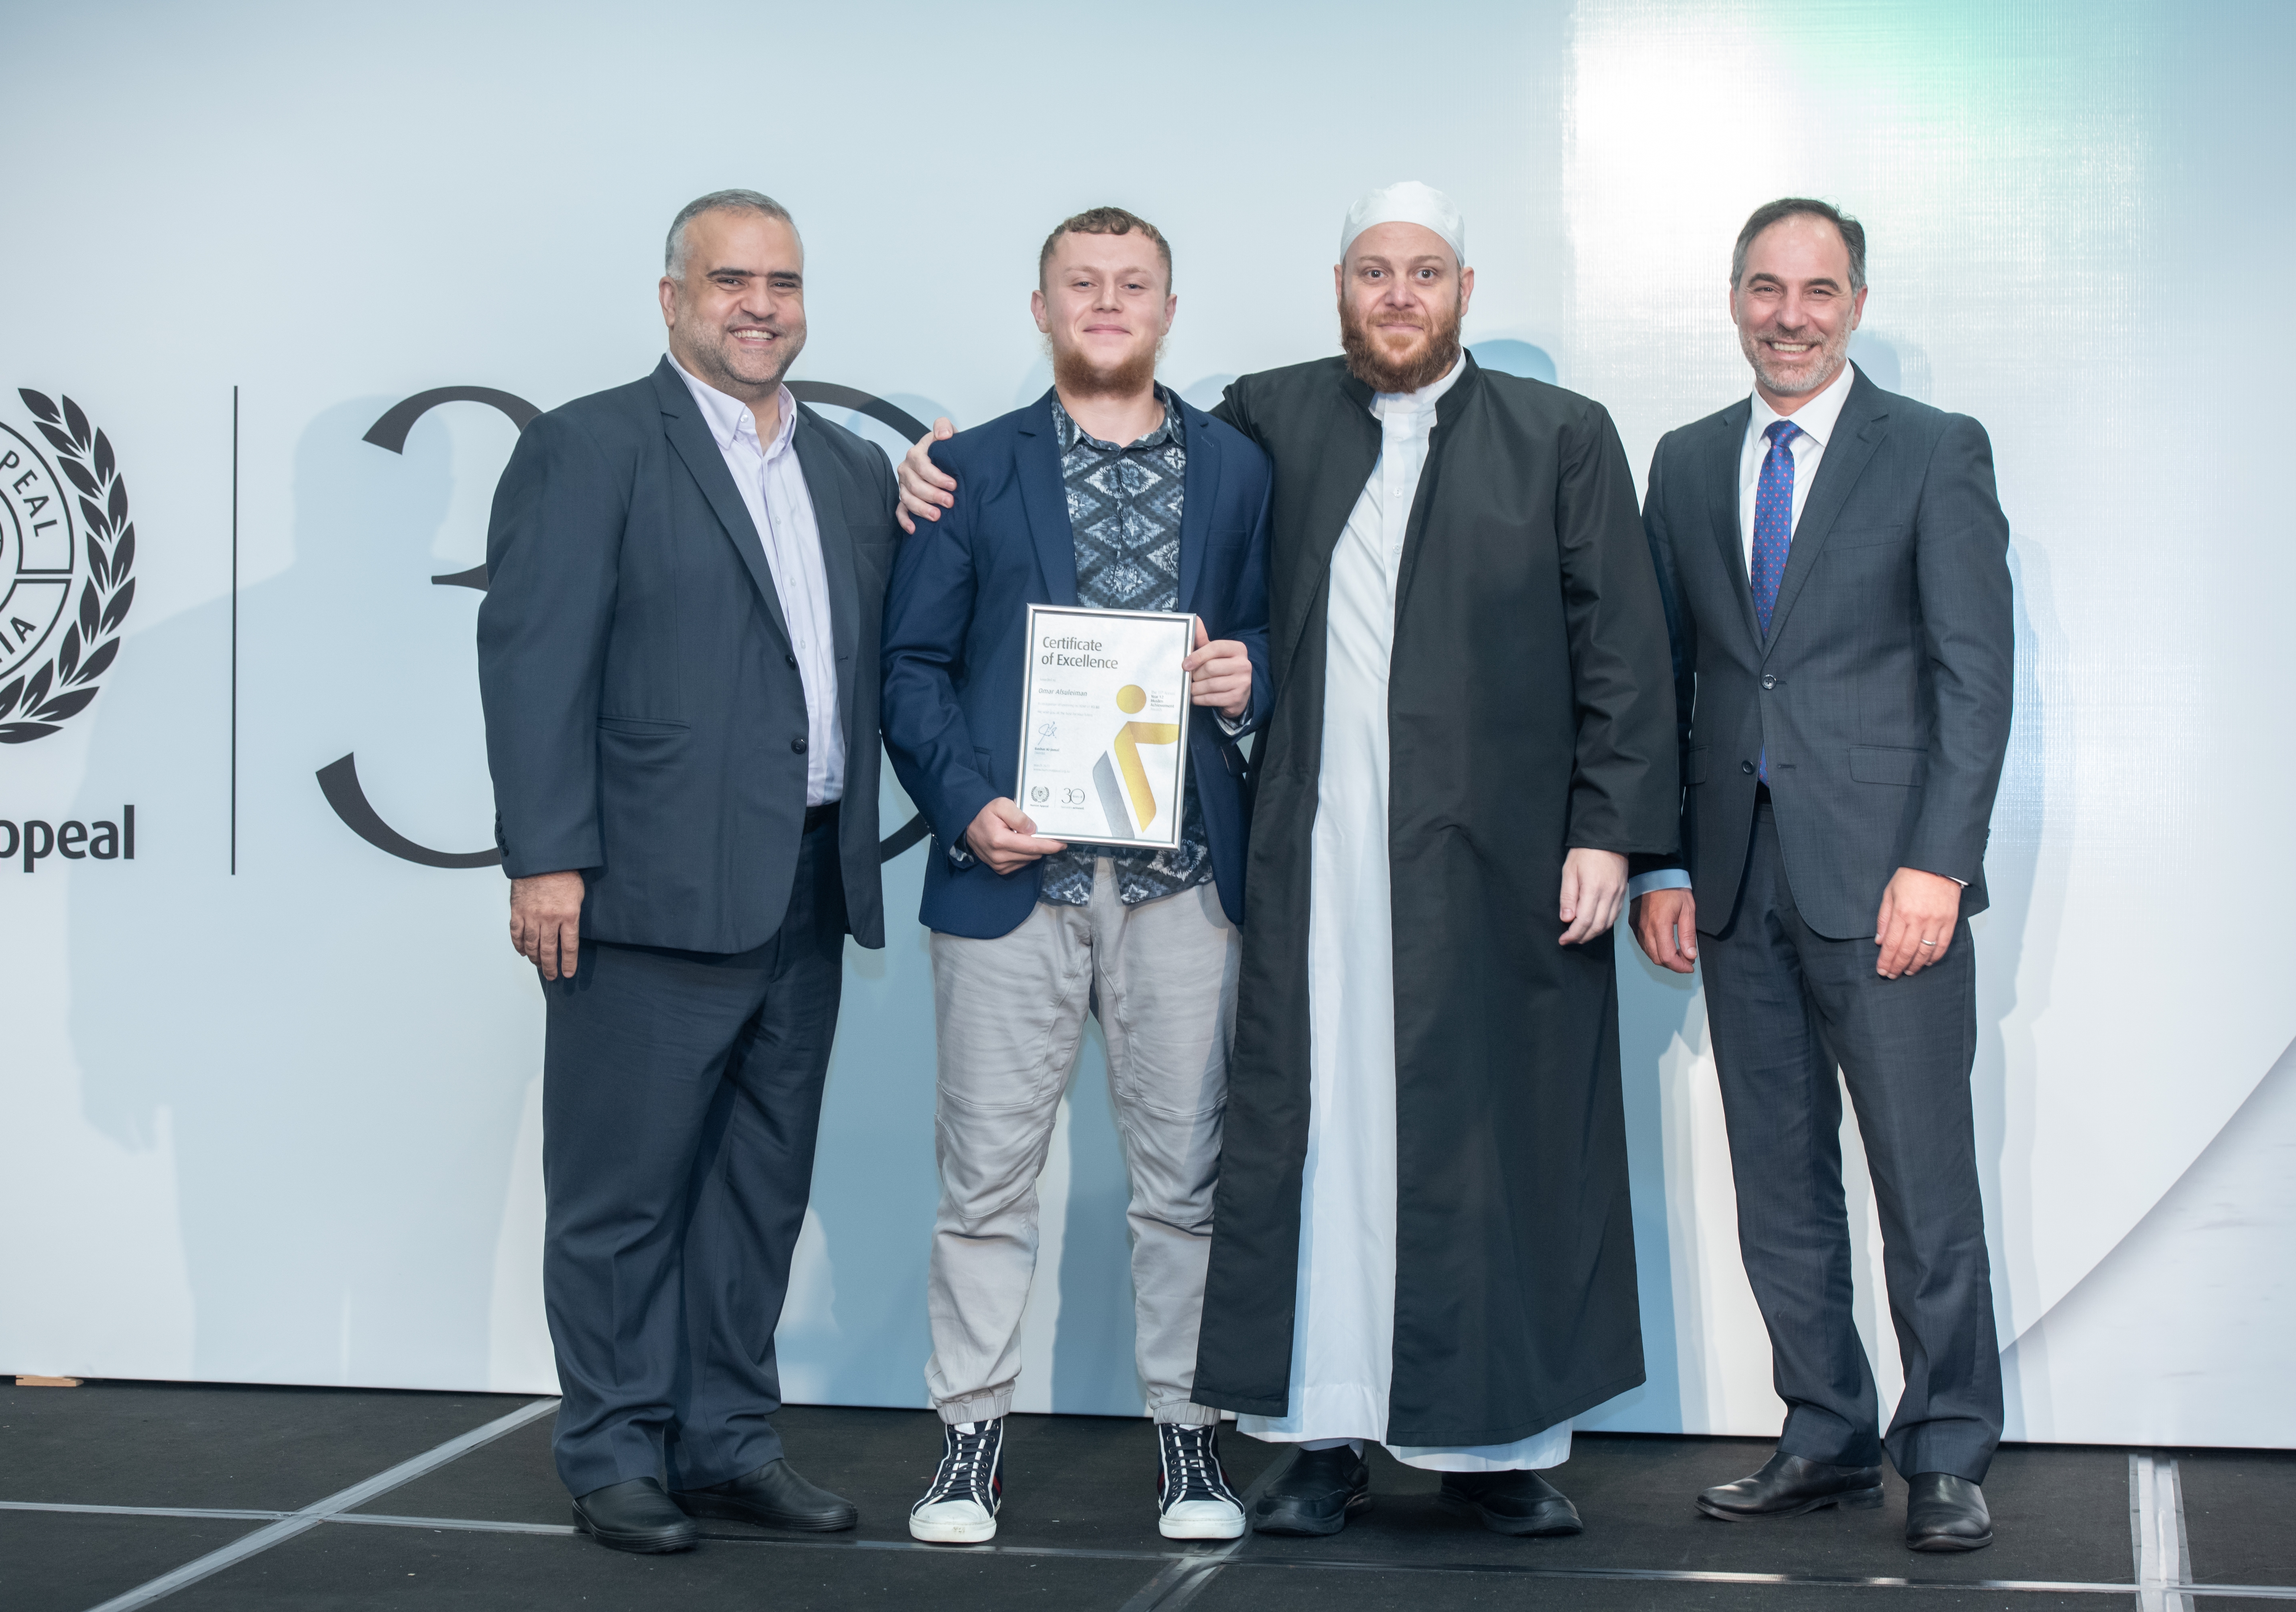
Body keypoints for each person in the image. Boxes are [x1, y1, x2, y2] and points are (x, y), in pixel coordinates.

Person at [896, 182, 1679, 1540]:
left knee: (1483, 1151)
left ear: (1463, 289)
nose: (1395, 295)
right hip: (1307, 863)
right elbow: (1113, 447)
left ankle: (1494, 1446)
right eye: (1372, 272)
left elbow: (1623, 646)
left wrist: (1610, 830)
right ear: (1338, 288)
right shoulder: (1275, 420)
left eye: (1422, 273)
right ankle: (1314, 1430)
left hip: (1488, 873)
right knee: (1304, 1149)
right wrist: (919, 460)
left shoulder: (1560, 436)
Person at [478, 189, 900, 1555]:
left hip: (804, 889)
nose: (759, 305)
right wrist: (547, 861)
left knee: (756, 1192)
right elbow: (534, 662)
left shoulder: (844, 469)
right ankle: (612, 1452)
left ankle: (725, 1442)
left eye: (781, 281)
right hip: (644, 894)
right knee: (619, 1197)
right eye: (730, 280)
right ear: (672, 299)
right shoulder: (591, 446)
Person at [879, 206, 1272, 1545]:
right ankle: (967, 1444)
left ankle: (1191, 1446)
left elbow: (1280, 632)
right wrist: (967, 804)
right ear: (1041, 307)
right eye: (1082, 285)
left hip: (1183, 886)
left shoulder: (1242, 469)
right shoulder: (966, 469)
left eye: (1134, 285)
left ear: (1170, 307)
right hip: (1013, 885)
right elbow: (912, 670)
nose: (1108, 303)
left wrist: (1249, 674)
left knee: (1186, 1187)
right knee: (984, 1183)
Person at [1628, 197, 2012, 1553]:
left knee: (1923, 1181)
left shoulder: (1932, 452)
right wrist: (1665, 856)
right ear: (1734, 298)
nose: (1790, 314)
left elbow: (1975, 680)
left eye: (1818, 289)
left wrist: (1939, 867)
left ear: (1855, 303)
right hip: (1734, 884)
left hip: (1890, 887)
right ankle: (1827, 1434)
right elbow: (1667, 679)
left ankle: (1950, 1448)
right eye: (1765, 287)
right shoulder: (1682, 464)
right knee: (1778, 1182)